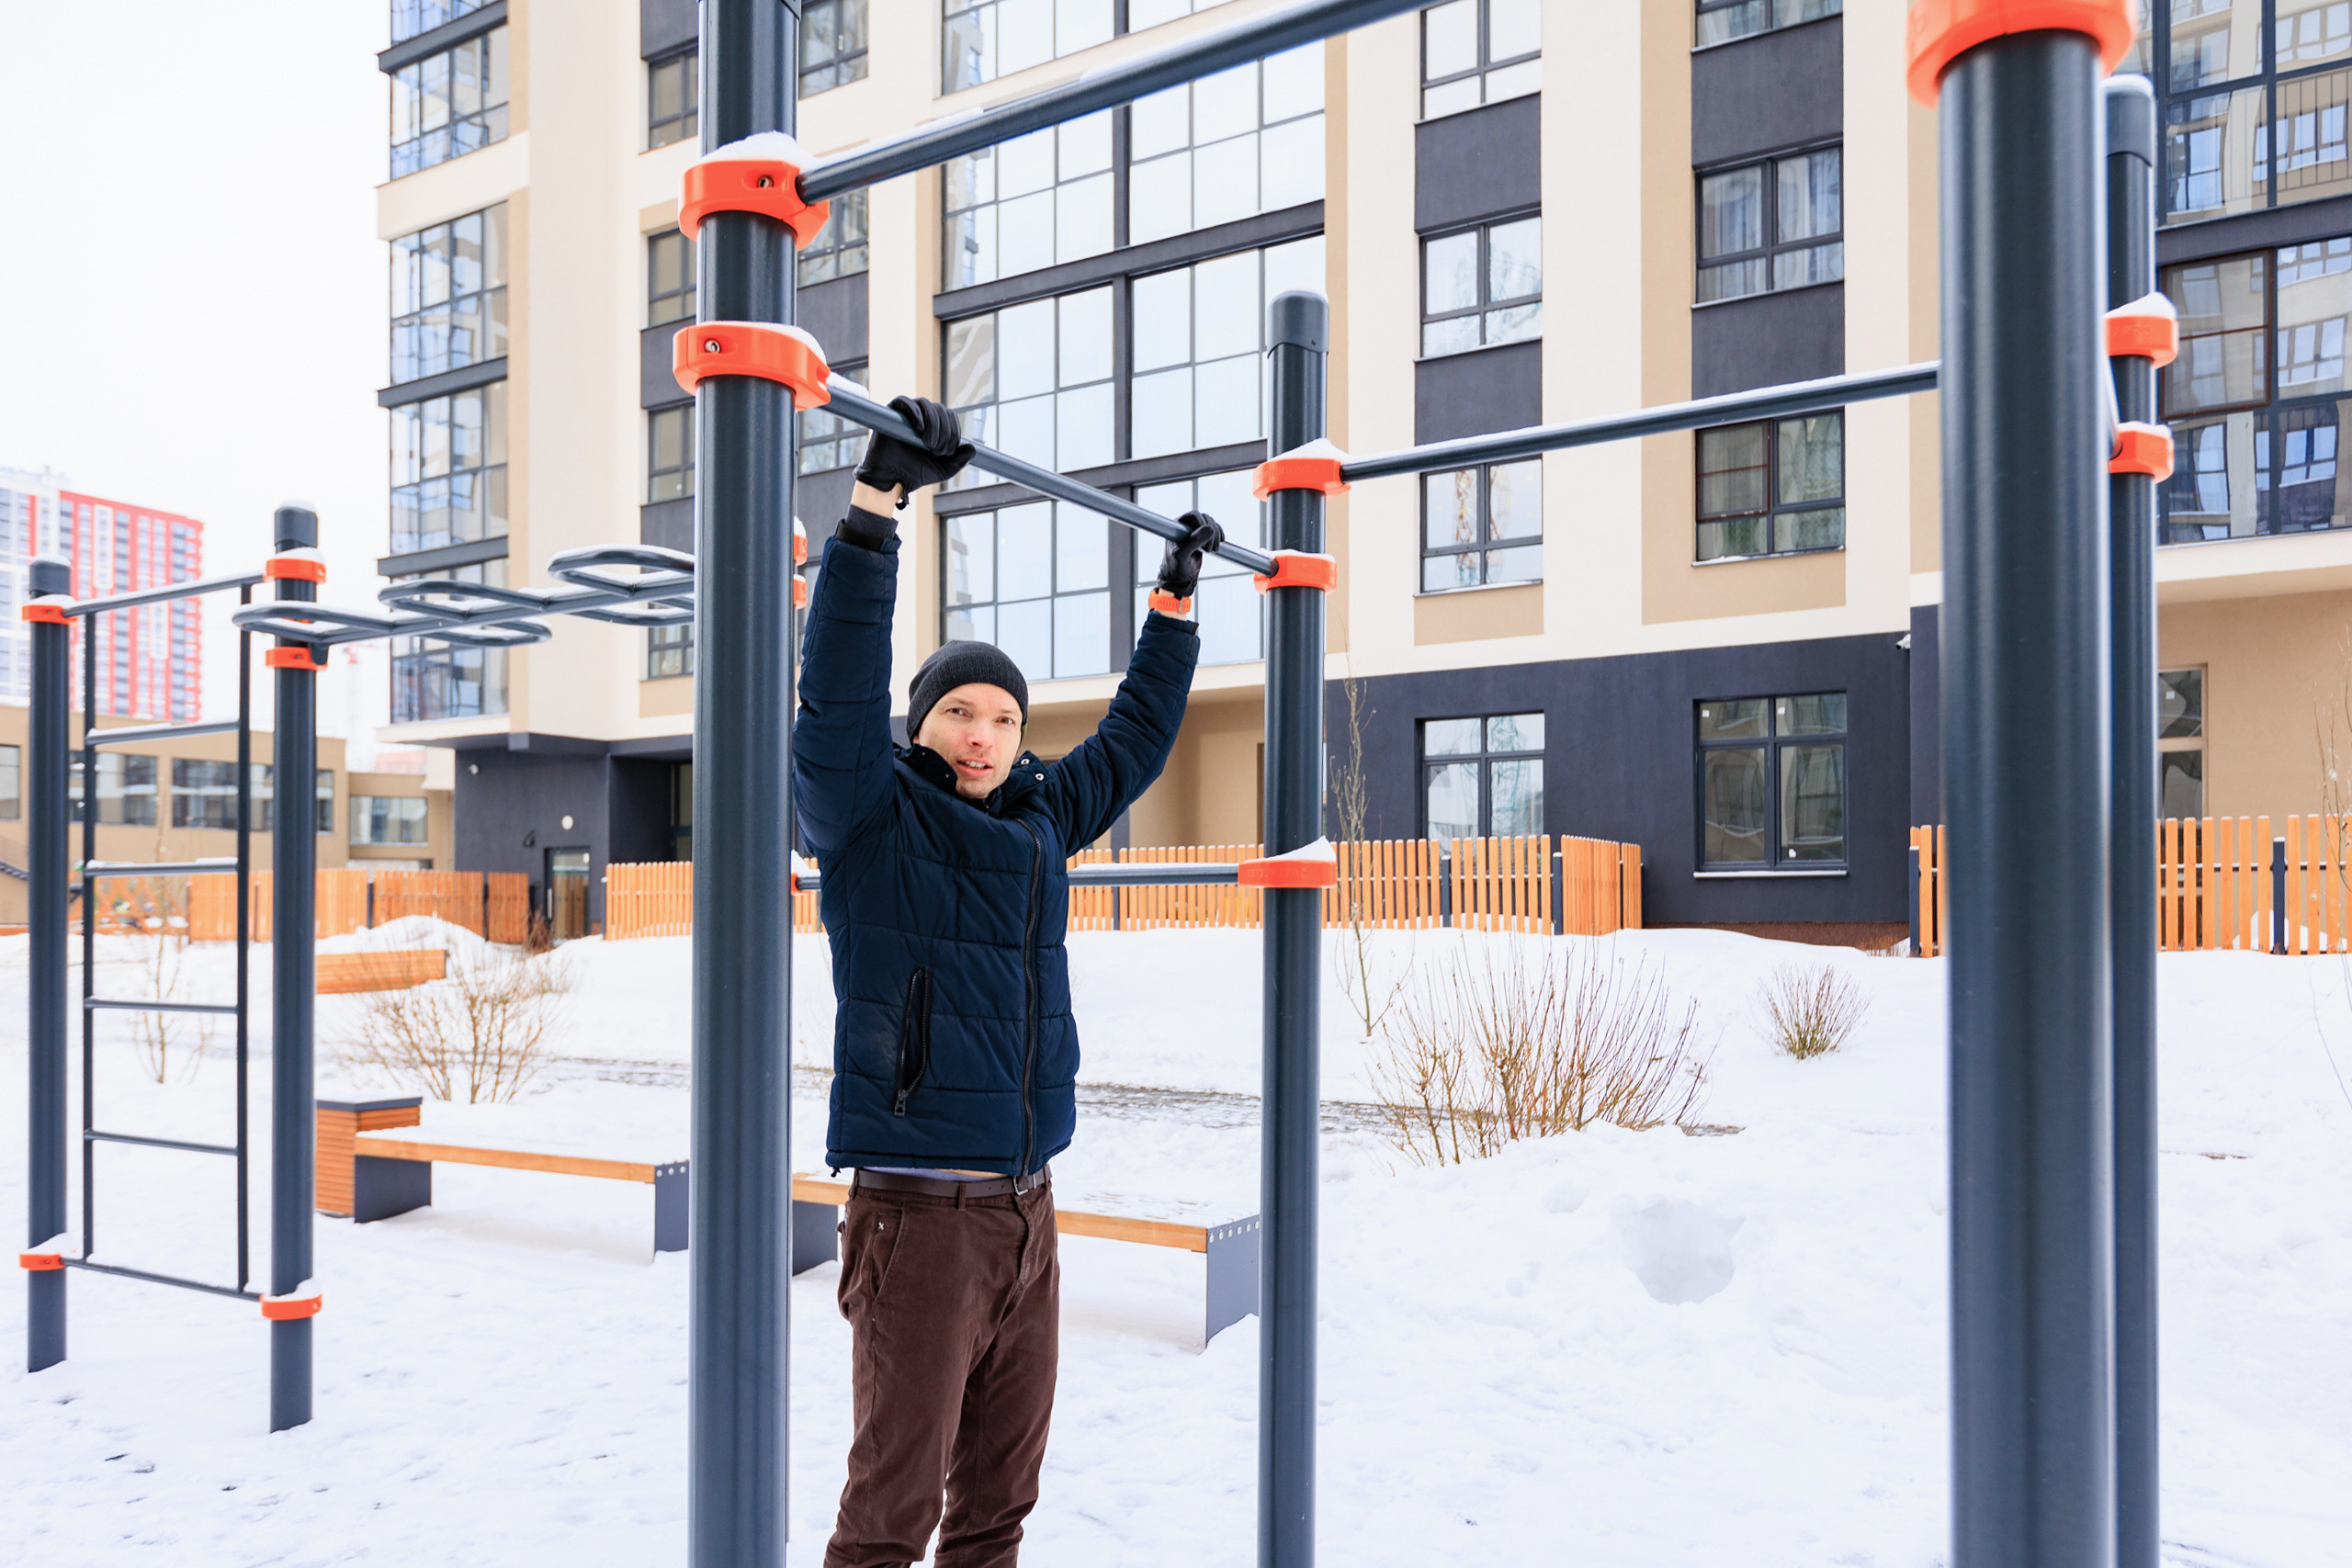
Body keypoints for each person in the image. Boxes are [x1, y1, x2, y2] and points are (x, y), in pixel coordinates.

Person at [795, 395, 1222, 1568]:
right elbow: (832, 697)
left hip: (1028, 1208)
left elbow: (1134, 739)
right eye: (957, 711)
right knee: (892, 1515)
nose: (983, 734)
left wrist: (1173, 608)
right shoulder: (869, 820)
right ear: (923, 721)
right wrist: (876, 514)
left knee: (996, 1508)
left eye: (1002, 717)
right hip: (919, 1217)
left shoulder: (1040, 822)